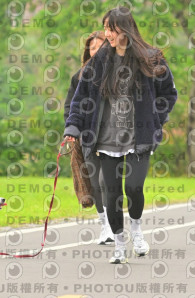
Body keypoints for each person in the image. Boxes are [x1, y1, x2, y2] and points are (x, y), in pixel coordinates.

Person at [64, 6, 178, 264]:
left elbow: (169, 93)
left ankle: (136, 230)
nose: (107, 34)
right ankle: (119, 243)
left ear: (125, 30)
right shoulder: (99, 62)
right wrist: (72, 128)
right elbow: (80, 98)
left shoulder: (150, 58)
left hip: (139, 138)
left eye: (111, 29)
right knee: (112, 194)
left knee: (134, 187)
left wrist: (156, 118)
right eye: (105, 28)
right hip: (106, 139)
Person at [63, 30, 113, 244]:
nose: (95, 51)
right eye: (91, 48)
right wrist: (72, 130)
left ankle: (115, 223)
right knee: (95, 183)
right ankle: (106, 226)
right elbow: (70, 107)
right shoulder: (79, 77)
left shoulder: (118, 73)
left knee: (108, 182)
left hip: (113, 137)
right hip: (88, 138)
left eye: (99, 46)